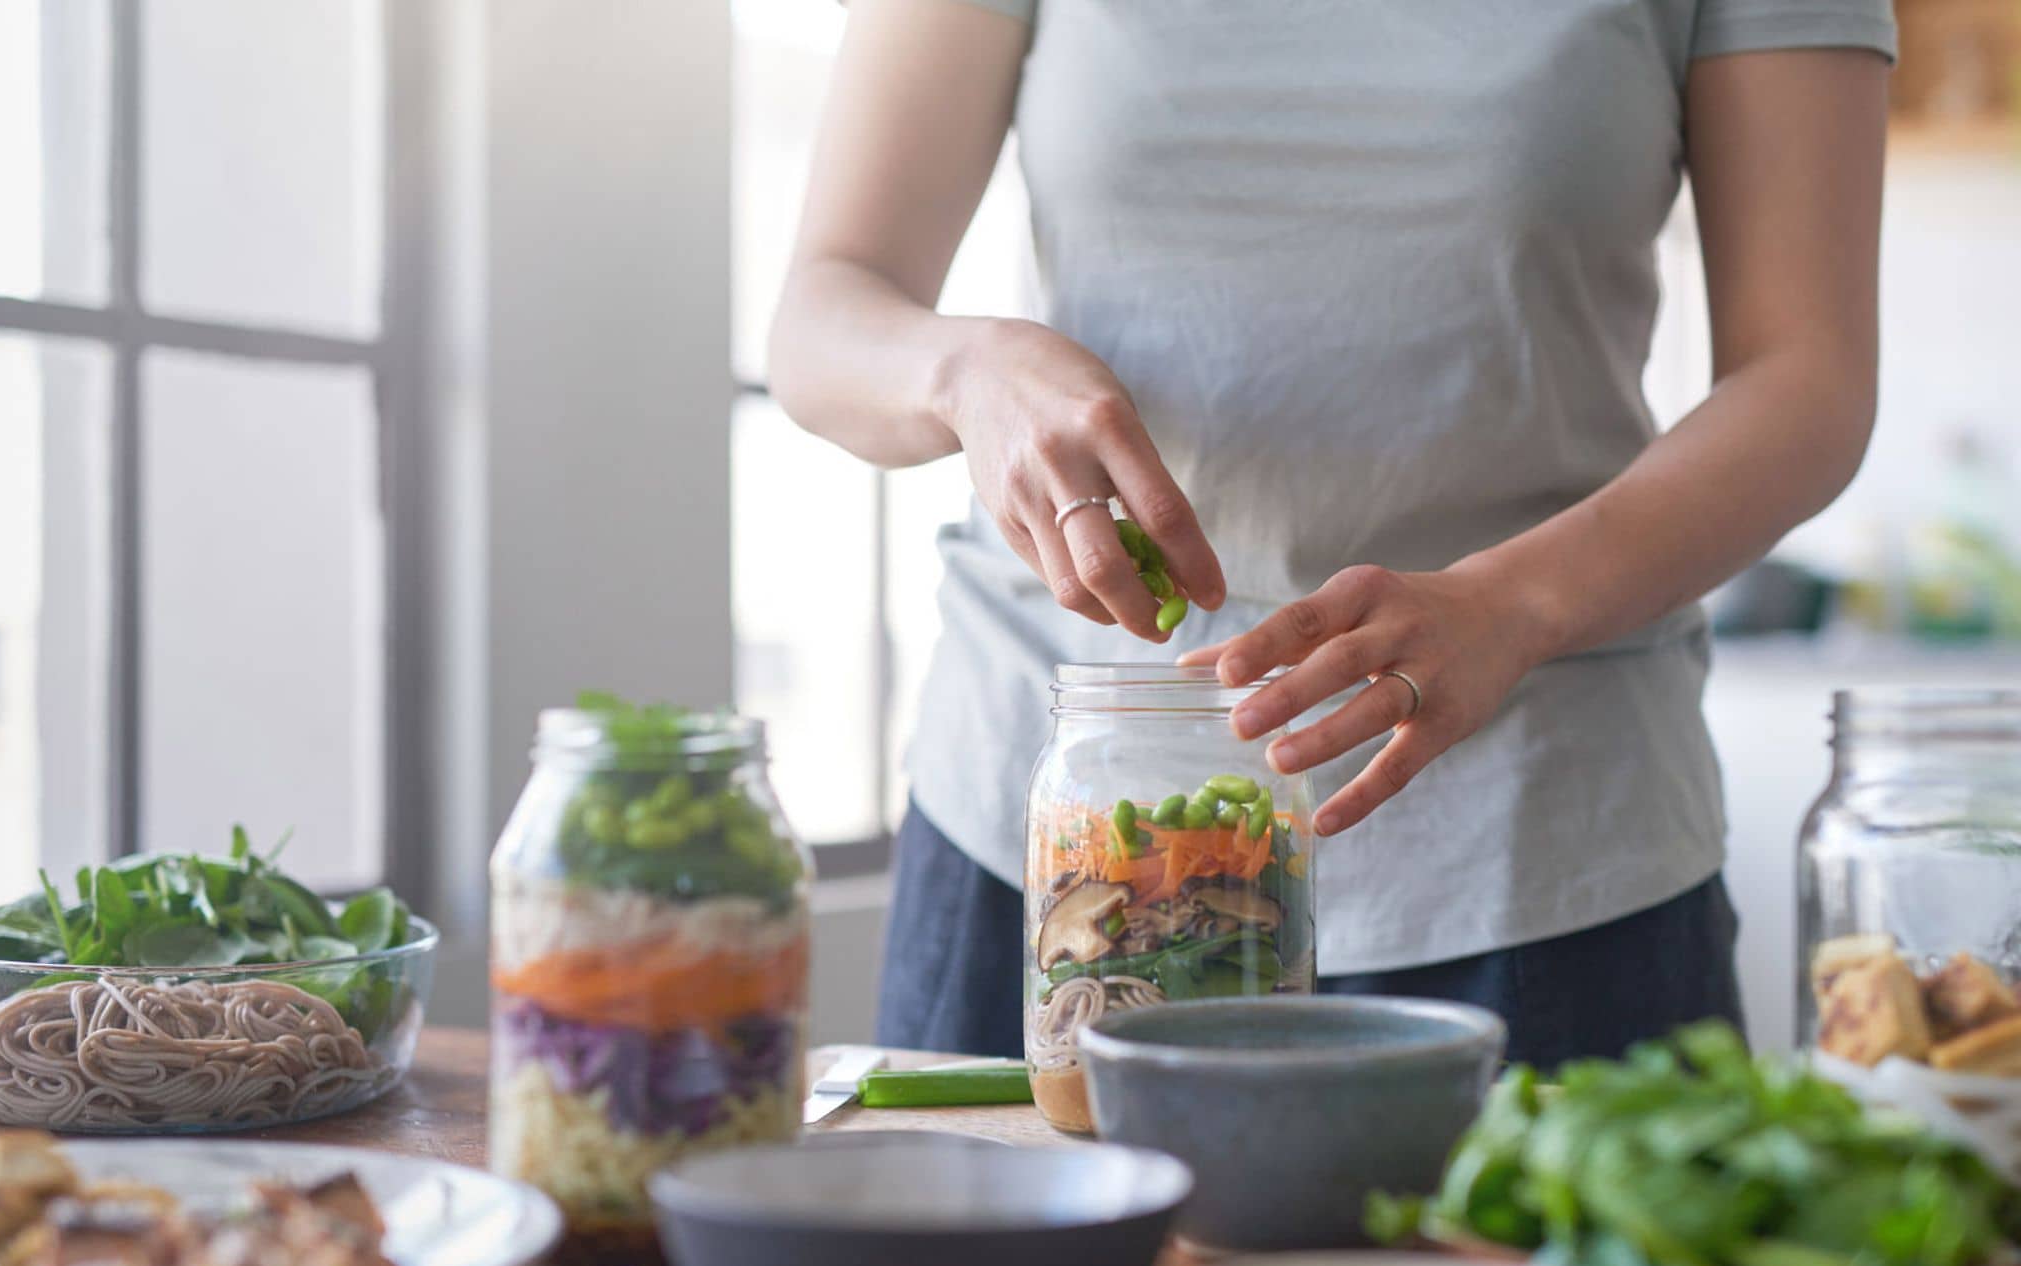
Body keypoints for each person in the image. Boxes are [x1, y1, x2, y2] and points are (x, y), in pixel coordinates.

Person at [768, 0, 1893, 1065]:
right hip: (1059, 827)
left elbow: (1807, 380)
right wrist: (964, 374)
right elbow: (826, 312)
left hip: (1542, 851)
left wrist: (1513, 603)